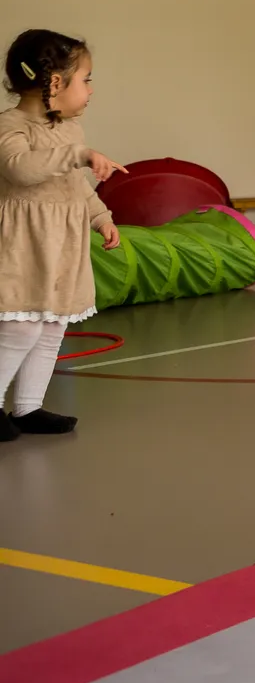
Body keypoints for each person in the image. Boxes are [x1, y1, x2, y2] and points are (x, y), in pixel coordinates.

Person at [0, 29, 125, 441]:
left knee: (52, 325)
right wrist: (79, 155)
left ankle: (28, 407)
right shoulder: (11, 126)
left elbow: (75, 185)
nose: (90, 90)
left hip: (63, 246)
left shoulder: (70, 132)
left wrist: (101, 216)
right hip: (23, 247)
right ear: (55, 83)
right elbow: (20, 169)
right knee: (20, 327)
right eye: (85, 79)